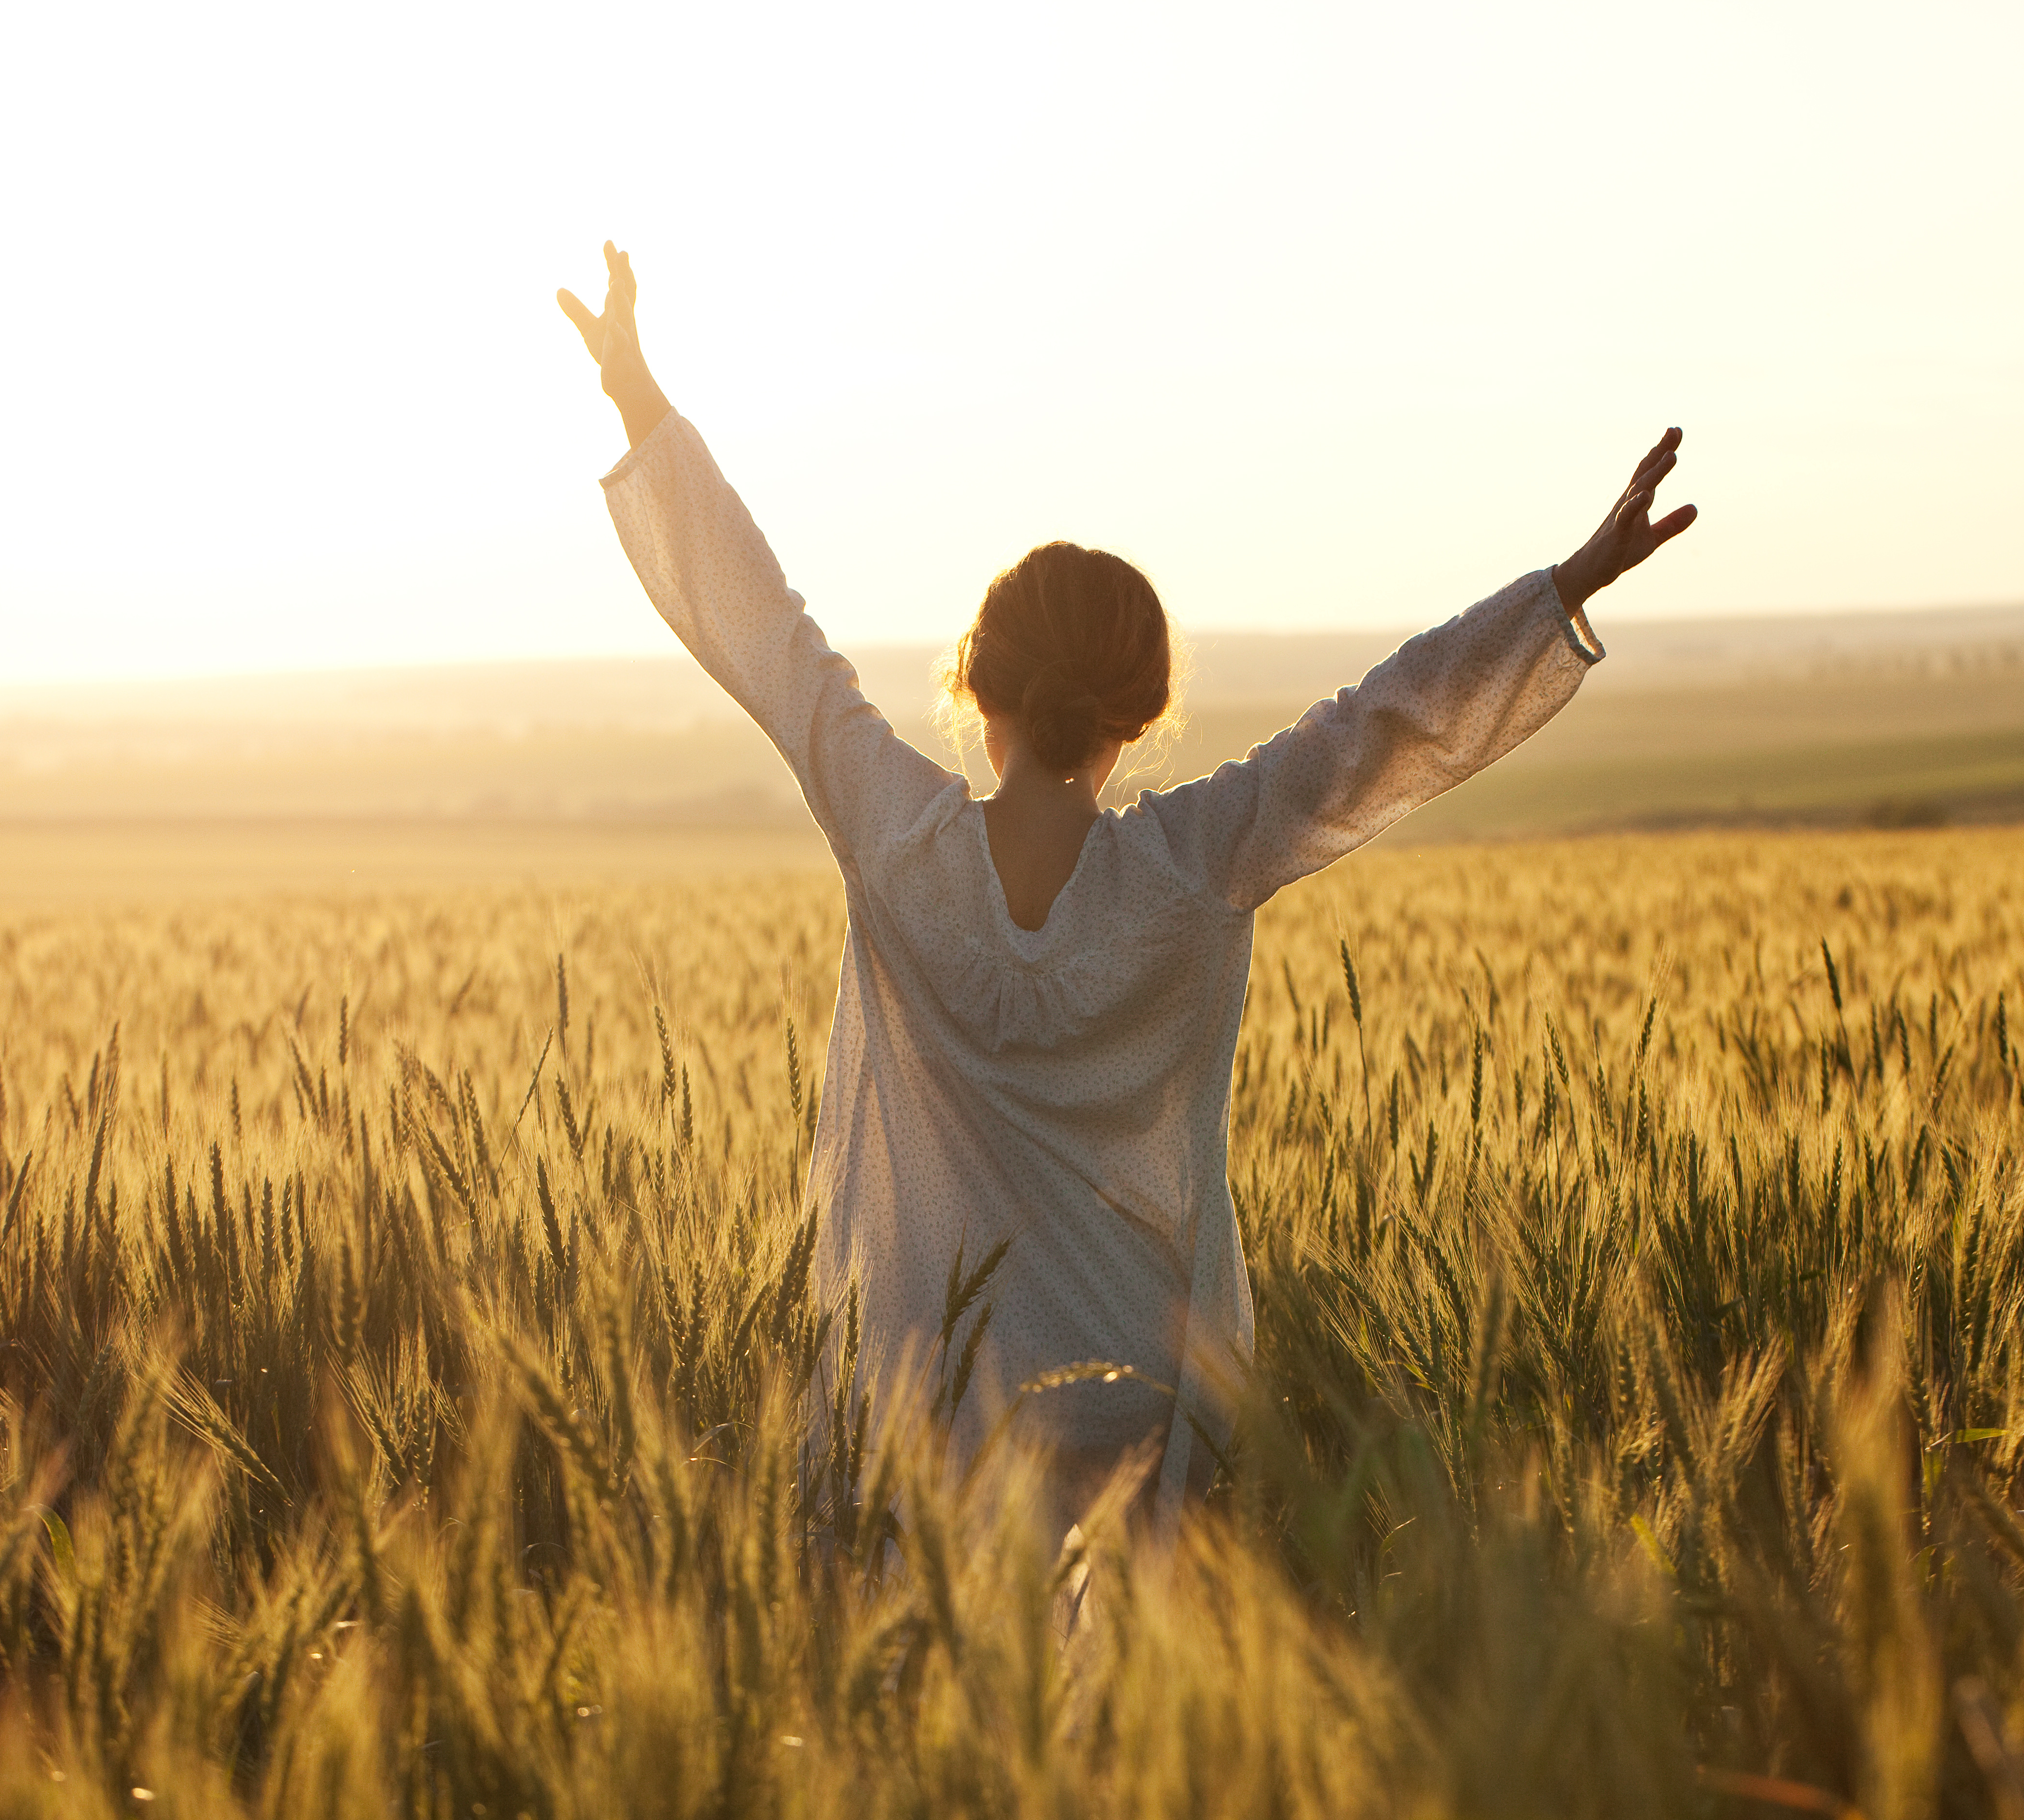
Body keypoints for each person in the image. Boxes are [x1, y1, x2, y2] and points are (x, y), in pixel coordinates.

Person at [556, 243, 1695, 1541]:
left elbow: (766, 635)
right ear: (1140, 713)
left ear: (976, 693)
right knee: (1124, 1735)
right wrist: (1565, 590)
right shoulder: (1193, 871)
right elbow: (1381, 727)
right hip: (1143, 1408)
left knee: (949, 1731)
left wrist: (640, 398)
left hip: (935, 1406)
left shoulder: (894, 843)